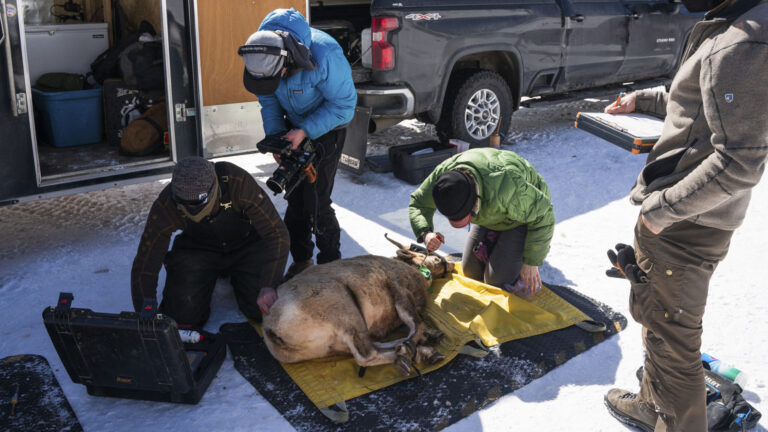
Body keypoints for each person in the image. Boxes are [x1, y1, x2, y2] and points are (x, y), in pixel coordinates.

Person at [602, 0, 768, 429]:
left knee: (674, 343)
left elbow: (740, 162)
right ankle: (650, 404)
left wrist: (662, 210)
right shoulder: (733, 22)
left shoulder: (744, 41)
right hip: (685, 217)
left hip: (685, 223)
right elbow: (700, 104)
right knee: (658, 321)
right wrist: (644, 99)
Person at [239, 8, 356, 279]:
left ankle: (331, 266)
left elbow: (344, 106)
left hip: (328, 126)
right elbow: (269, 101)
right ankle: (302, 261)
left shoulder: (325, 55)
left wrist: (305, 130)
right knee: (294, 200)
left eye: (276, 77)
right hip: (293, 128)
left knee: (317, 201)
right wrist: (278, 139)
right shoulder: (261, 56)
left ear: (287, 62)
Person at [130, 157, 289, 326]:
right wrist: (145, 307)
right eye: (185, 204)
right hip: (198, 249)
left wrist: (269, 284)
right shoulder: (166, 203)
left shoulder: (237, 182)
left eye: (198, 203)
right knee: (182, 317)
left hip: (246, 245)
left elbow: (276, 233)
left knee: (264, 309)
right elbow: (147, 258)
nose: (192, 209)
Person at [408, 148, 555, 296]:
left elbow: (544, 215)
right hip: (491, 208)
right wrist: (425, 232)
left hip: (522, 217)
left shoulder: (508, 187)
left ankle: (514, 252)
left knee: (496, 282)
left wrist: (531, 262)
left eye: (463, 215)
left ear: (473, 200)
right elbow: (419, 202)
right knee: (470, 272)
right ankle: (497, 245)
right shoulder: (443, 180)